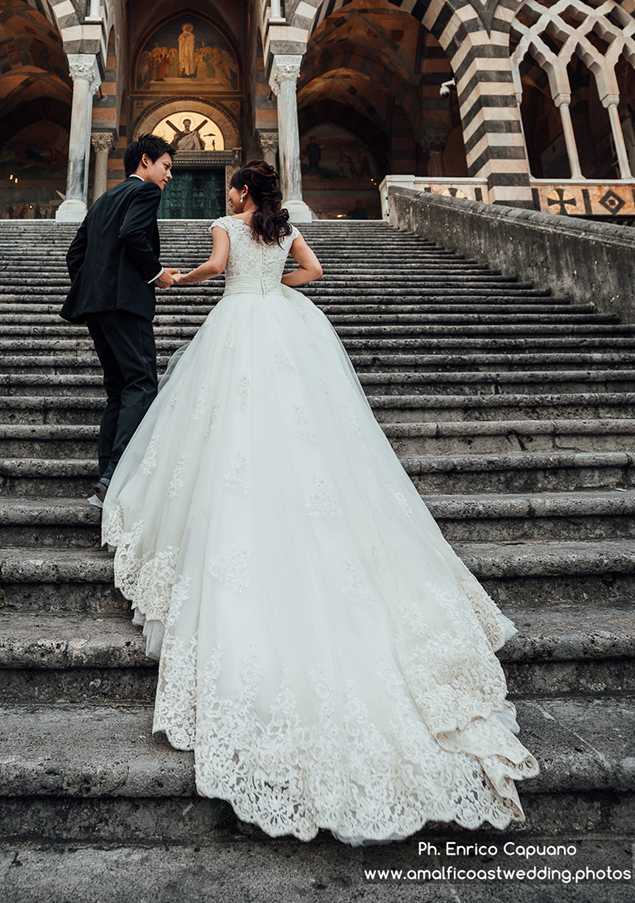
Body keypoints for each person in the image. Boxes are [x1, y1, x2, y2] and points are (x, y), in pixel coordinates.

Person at [100, 160, 538, 844]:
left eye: (232, 186)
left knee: (229, 429)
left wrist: (184, 278)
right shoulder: (282, 226)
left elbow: (216, 270)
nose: (227, 194)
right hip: (281, 325)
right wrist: (278, 286)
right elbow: (316, 274)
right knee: (304, 432)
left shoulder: (226, 225)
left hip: (237, 327)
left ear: (240, 192)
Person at [60, 134, 176, 505]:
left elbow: (74, 254)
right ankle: (114, 477)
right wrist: (156, 272)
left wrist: (94, 286)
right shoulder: (145, 193)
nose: (169, 176)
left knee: (118, 389)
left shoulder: (103, 199)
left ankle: (104, 479)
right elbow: (131, 234)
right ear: (146, 160)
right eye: (166, 167)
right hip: (126, 303)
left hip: (96, 306)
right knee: (141, 384)